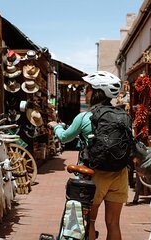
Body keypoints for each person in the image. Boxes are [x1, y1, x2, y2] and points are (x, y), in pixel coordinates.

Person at [48, 71, 127, 240]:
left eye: (88, 88)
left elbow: (64, 137)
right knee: (113, 223)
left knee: (89, 221)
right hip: (120, 174)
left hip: (93, 174)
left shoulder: (84, 117)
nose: (85, 92)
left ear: (96, 92)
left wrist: (55, 126)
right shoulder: (123, 117)